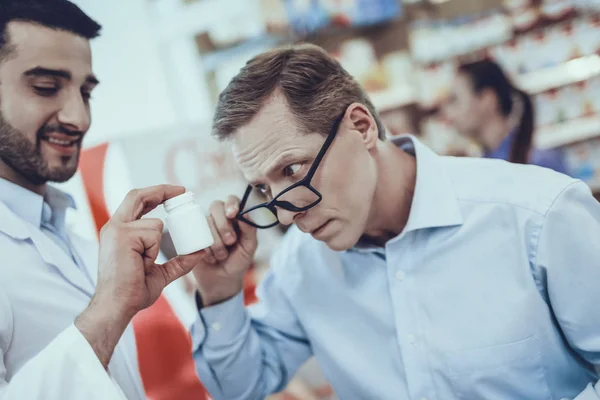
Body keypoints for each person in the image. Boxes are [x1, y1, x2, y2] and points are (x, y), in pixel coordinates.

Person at [190, 44, 600, 400]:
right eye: (264, 188)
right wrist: (220, 295)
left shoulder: (536, 216)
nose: (284, 213)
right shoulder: (303, 264)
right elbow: (241, 388)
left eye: (293, 170)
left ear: (362, 127)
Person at [0, 1, 202, 398]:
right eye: (46, 88)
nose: (79, 118)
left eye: (86, 92)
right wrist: (109, 311)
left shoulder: (73, 241)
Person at [443, 58, 569, 174]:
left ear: (487, 100)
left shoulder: (540, 164)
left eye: (454, 100)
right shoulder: (482, 167)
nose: (448, 113)